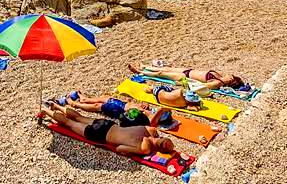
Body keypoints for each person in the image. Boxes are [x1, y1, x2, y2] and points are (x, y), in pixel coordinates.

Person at [40, 102, 174, 156]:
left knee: (79, 117)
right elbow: (120, 149)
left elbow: (152, 122)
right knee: (70, 123)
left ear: (163, 138)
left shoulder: (151, 130)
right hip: (101, 134)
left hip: (109, 124)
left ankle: (55, 105)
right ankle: (45, 110)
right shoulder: (145, 148)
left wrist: (161, 111)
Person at [128, 63, 247, 91]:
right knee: (166, 68)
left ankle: (141, 72)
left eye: (231, 76)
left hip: (183, 77)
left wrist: (183, 83)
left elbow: (202, 85)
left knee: (160, 74)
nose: (230, 75)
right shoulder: (220, 76)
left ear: (231, 81)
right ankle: (145, 66)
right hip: (188, 71)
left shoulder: (218, 83)